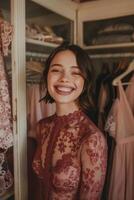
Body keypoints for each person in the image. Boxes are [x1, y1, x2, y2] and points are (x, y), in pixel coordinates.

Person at [32, 43, 107, 200]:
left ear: (86, 82)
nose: (64, 78)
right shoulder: (42, 127)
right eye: (56, 70)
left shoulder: (92, 139)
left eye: (76, 73)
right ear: (46, 76)